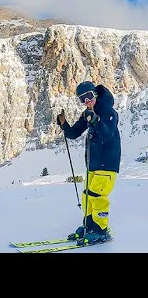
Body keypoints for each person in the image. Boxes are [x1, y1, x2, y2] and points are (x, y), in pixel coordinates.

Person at [56, 81, 121, 246]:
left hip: (107, 164)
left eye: (89, 96)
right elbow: (73, 133)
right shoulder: (87, 114)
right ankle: (89, 227)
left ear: (96, 94)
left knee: (97, 196)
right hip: (93, 164)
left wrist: (96, 121)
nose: (87, 101)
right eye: (82, 99)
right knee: (87, 196)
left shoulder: (108, 112)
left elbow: (107, 135)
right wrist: (64, 125)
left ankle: (100, 231)